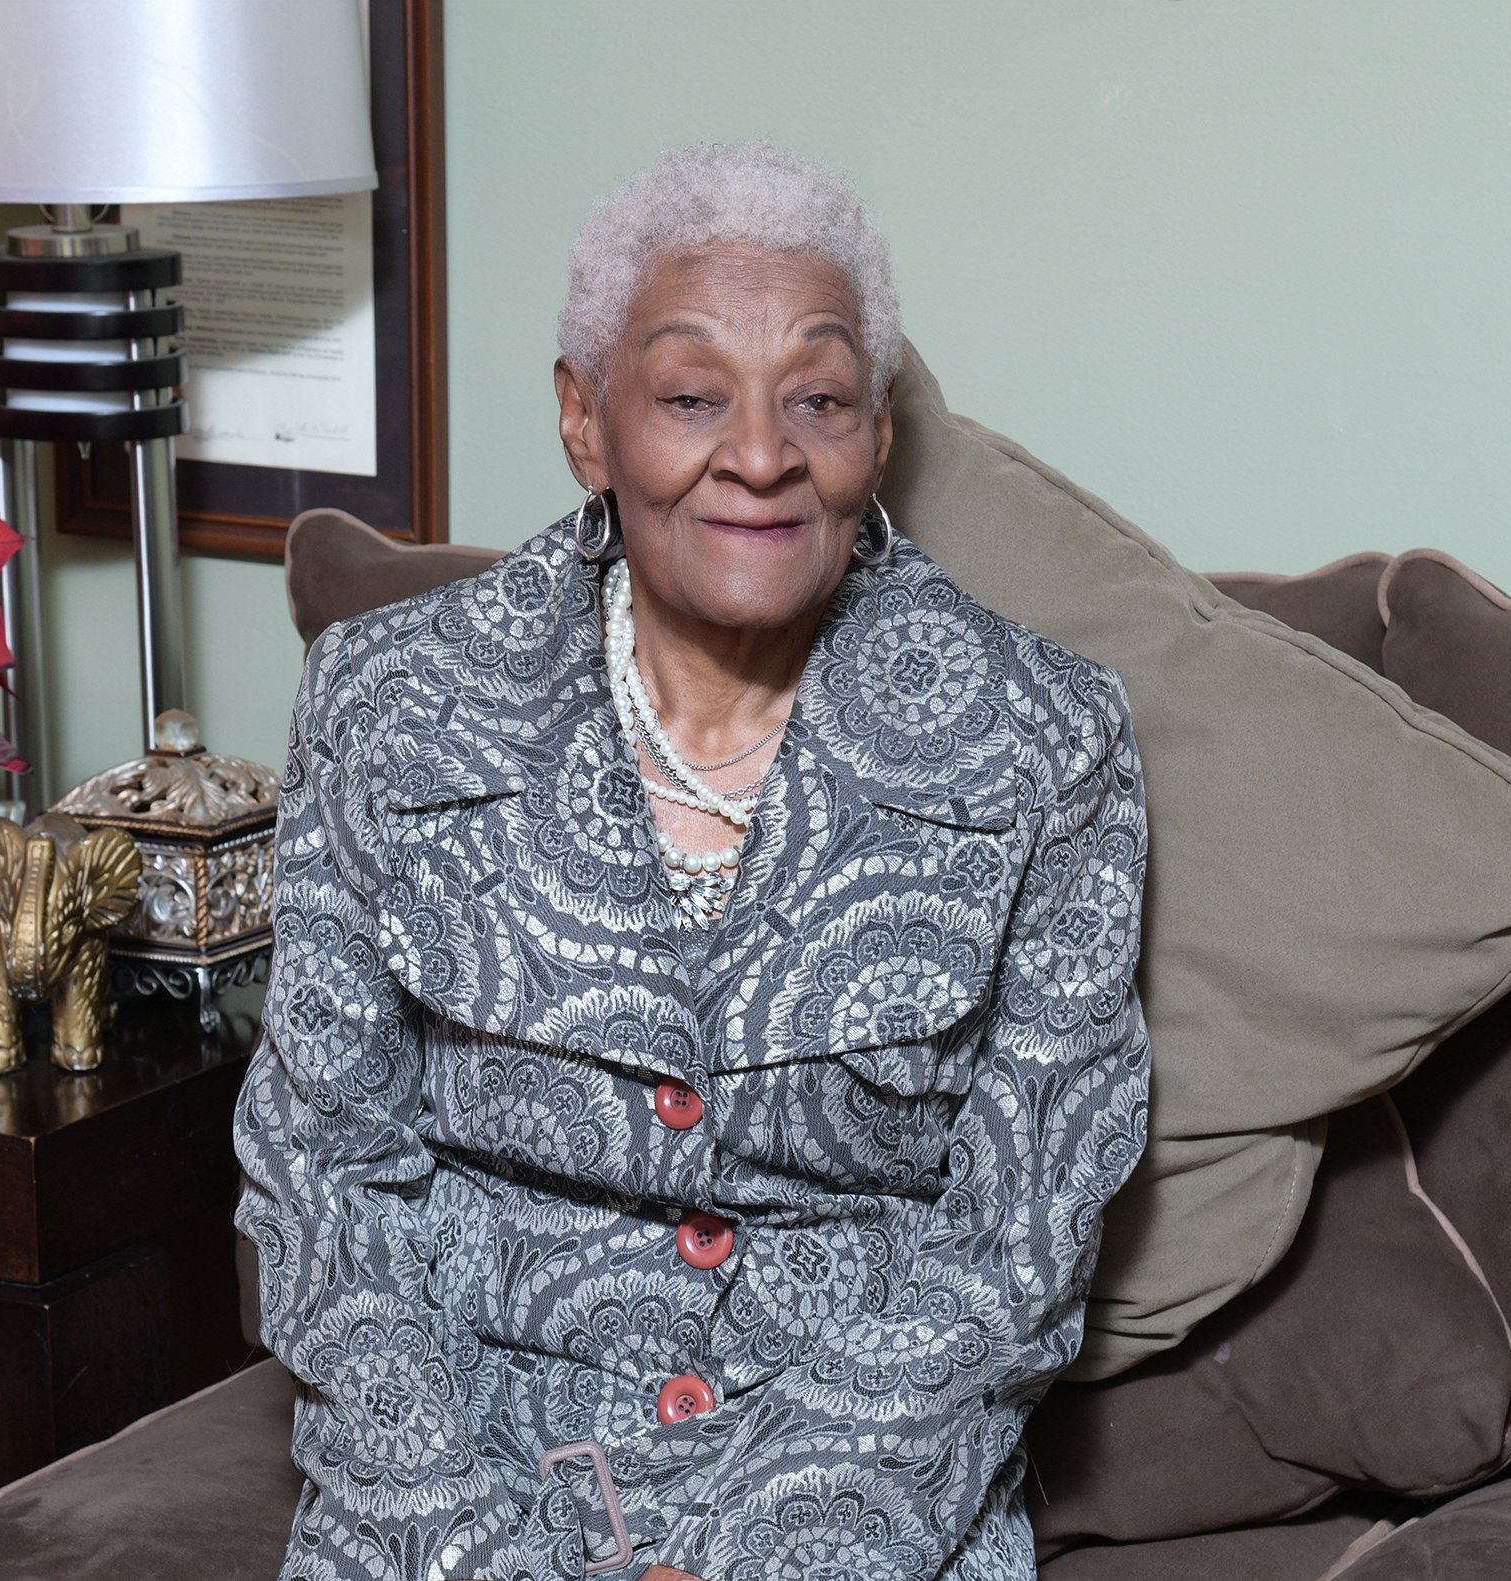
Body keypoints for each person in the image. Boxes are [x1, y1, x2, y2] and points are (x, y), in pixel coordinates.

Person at [235, 140, 1150, 1581]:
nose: (763, 453)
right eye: (690, 397)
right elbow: (321, 1177)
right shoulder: (390, 701)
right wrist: (481, 1550)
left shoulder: (1043, 740)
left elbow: (1016, 1240)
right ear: (584, 421)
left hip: (862, 1494)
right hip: (459, 1491)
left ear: (877, 436)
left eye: (819, 398)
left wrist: (764, 1554)